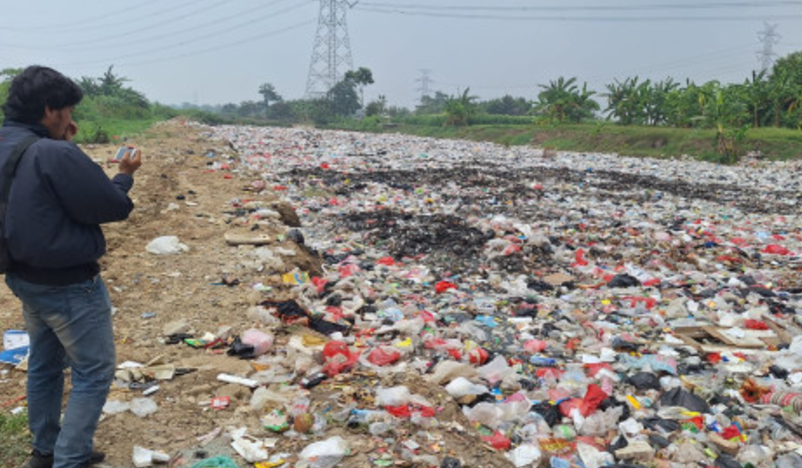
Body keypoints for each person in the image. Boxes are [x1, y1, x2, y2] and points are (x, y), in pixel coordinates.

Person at [0, 66, 142, 468]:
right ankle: (71, 458)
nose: (71, 118)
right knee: (95, 371)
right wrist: (123, 176)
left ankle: (45, 450)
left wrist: (57, 142)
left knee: (44, 364)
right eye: (68, 110)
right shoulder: (54, 153)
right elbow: (110, 207)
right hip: (68, 284)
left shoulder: (13, 144)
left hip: (23, 277)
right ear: (51, 110)